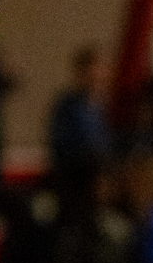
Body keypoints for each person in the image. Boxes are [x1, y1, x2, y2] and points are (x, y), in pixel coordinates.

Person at [46, 47, 112, 191]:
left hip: (101, 175)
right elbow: (62, 147)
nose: (98, 77)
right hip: (75, 179)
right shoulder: (66, 107)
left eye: (102, 71)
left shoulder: (102, 107)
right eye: (92, 73)